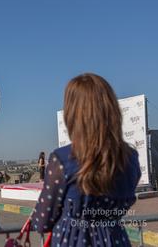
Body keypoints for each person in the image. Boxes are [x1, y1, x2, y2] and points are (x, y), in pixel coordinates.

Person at [31, 73, 141, 247]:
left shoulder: (62, 160)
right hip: (116, 240)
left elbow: (42, 222)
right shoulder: (131, 158)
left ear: (73, 113)